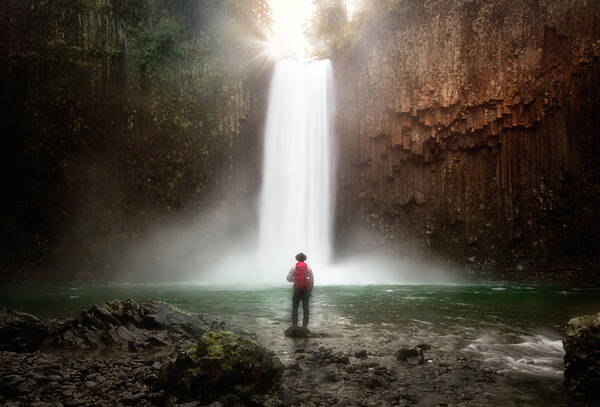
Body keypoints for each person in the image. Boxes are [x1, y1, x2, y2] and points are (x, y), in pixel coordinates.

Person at [286, 252, 314, 328]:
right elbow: (311, 281)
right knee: (306, 308)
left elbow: (288, 278)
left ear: (297, 259)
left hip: (297, 289)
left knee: (295, 307)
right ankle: (304, 326)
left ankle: (294, 325)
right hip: (306, 290)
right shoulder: (308, 268)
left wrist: (295, 280)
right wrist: (310, 291)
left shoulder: (293, 268)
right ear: (305, 259)